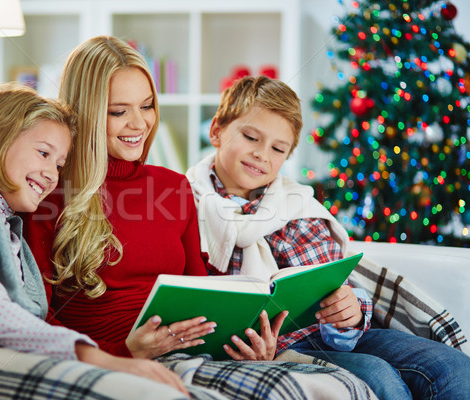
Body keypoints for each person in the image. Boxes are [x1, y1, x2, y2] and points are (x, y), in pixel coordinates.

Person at [23, 35, 378, 400]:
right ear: (85, 112)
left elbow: (204, 295)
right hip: (122, 361)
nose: (139, 123)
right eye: (118, 111)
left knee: (347, 385)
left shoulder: (173, 188)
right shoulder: (48, 196)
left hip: (197, 353)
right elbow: (37, 323)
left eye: (146, 106)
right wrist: (124, 352)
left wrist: (246, 345)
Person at [0, 82, 210, 400]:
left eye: (59, 164)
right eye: (43, 153)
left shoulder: (7, 223)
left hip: (5, 354)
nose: (53, 174)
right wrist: (108, 361)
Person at [185, 75, 470, 400]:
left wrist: (352, 311)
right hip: (278, 347)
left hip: (332, 335)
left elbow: (339, 283)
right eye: (251, 137)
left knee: (453, 367)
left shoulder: (296, 205)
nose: (262, 155)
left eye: (278, 148)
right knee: (380, 379)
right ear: (216, 131)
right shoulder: (185, 203)